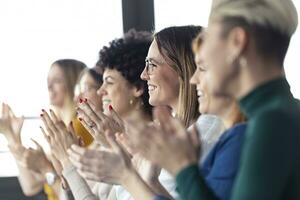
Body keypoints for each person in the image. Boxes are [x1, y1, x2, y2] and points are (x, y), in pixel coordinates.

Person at [141, 0, 300, 199]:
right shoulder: (281, 112)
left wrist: (183, 167)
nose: (194, 75)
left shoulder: (270, 122)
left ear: (237, 42)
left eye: (210, 40)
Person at [0, 59, 88, 200]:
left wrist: (45, 167)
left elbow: (74, 194)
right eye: (48, 81)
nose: (49, 86)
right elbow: (30, 186)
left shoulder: (79, 127)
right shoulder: (59, 130)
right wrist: (11, 135)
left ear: (74, 84)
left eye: (57, 80)